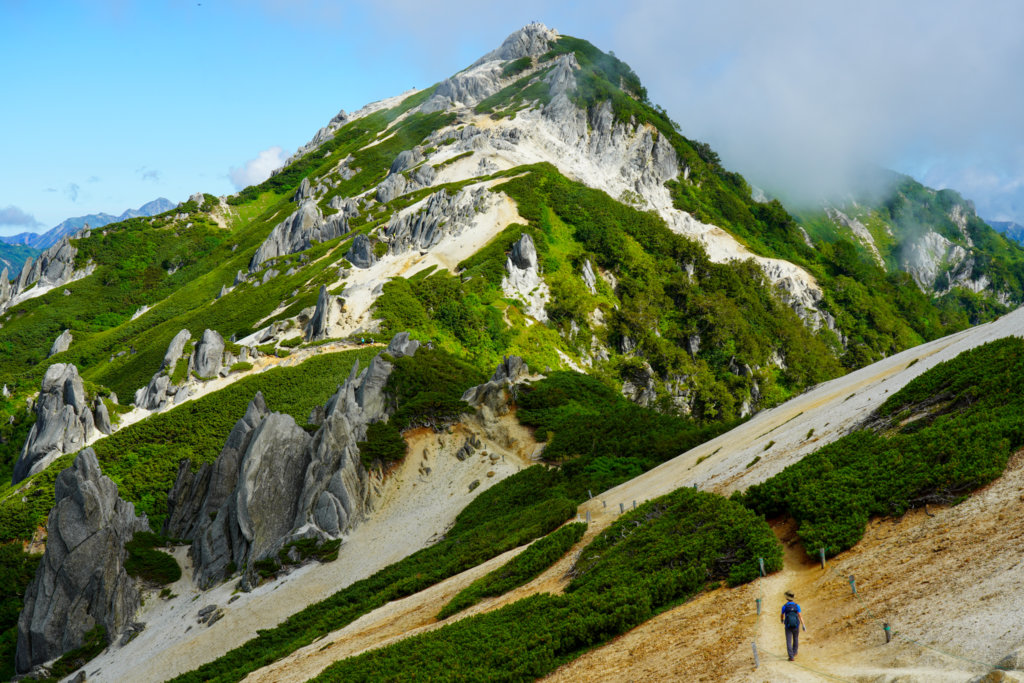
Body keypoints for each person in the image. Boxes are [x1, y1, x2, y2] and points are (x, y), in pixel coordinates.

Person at [781, 591, 806, 661]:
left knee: (788, 641)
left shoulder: (784, 606)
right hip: (796, 625)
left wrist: (782, 620)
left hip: (788, 626)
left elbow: (782, 615)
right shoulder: (797, 606)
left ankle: (791, 656)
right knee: (796, 638)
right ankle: (795, 652)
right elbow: (800, 616)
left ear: (786, 598)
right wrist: (803, 625)